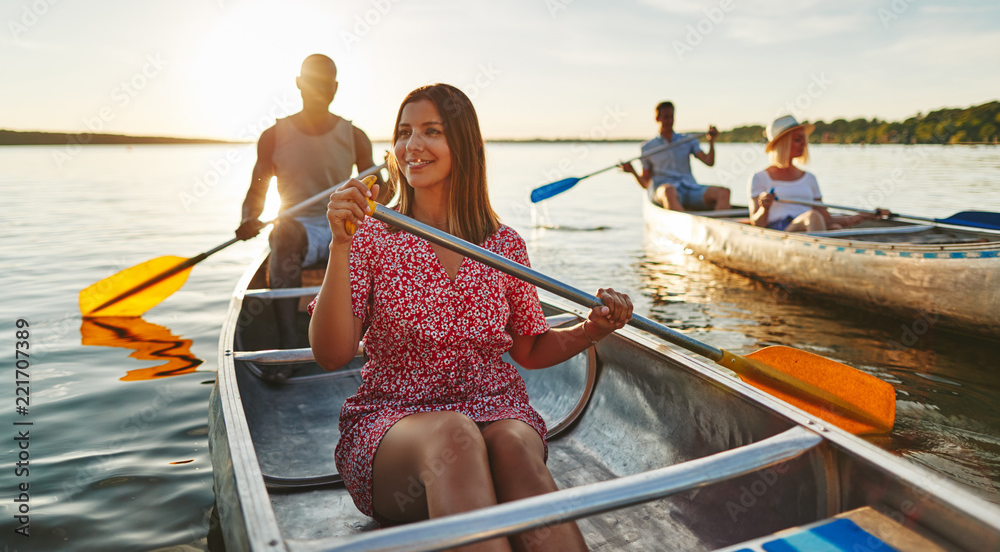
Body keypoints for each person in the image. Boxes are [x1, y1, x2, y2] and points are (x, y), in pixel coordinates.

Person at [308, 83, 633, 551]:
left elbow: (531, 348)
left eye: (431, 131)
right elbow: (331, 354)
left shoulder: (504, 246)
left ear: (463, 146)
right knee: (454, 434)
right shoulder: (371, 234)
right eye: (404, 132)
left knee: (513, 446)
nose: (411, 145)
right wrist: (340, 243)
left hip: (497, 410)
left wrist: (591, 329)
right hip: (395, 425)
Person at [235, 54, 380, 362]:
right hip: (296, 228)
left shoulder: (354, 136)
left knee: (377, 238)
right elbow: (257, 190)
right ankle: (288, 340)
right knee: (284, 233)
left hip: (342, 224)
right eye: (313, 82)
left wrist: (384, 182)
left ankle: (372, 340)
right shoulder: (274, 136)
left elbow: (378, 192)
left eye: (326, 83)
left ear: (335, 88)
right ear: (299, 83)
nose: (319, 89)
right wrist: (249, 218)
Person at [749, 115, 888, 232]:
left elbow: (827, 220)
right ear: (782, 144)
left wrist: (864, 216)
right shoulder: (760, 178)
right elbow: (757, 224)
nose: (804, 144)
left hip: (811, 227)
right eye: (798, 140)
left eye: (804, 139)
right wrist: (764, 207)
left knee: (835, 227)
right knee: (813, 217)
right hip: (781, 231)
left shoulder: (809, 178)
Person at [620, 101, 731, 211]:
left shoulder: (687, 140)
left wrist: (711, 142)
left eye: (671, 117)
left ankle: (718, 227)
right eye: (666, 117)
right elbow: (646, 184)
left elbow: (709, 162)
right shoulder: (647, 148)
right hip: (664, 191)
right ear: (657, 119)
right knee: (669, 191)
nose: (669, 120)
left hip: (690, 188)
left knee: (724, 193)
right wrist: (632, 171)